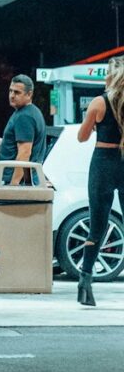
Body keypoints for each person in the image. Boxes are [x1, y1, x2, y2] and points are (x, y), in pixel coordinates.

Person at [74, 56, 124, 308]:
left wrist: (92, 124)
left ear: (110, 76)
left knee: (97, 227)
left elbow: (82, 137)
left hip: (102, 164)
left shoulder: (98, 102)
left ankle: (85, 281)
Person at [0, 74, 47, 185]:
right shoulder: (32, 112)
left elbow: (25, 153)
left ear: (29, 94)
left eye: (17, 92)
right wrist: (4, 143)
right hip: (28, 178)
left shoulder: (24, 116)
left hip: (20, 181)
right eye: (10, 91)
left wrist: (14, 185)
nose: (12, 95)